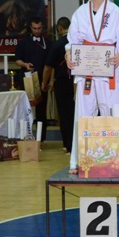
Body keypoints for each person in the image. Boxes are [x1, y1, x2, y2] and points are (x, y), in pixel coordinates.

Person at [65, 0, 119, 173]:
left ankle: (118, 160)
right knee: (82, 115)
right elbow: (71, 41)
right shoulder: (80, 13)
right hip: (86, 69)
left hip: (108, 68)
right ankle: (78, 162)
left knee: (111, 113)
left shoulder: (115, 12)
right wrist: (68, 55)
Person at [42, 17, 75, 153]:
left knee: (64, 114)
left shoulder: (57, 44)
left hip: (63, 83)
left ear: (59, 28)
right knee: (77, 113)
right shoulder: (78, 41)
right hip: (78, 82)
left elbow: (48, 67)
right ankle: (79, 144)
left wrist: (44, 83)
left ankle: (68, 145)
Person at [15, 17, 51, 141]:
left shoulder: (47, 42)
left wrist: (48, 81)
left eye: (39, 28)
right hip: (26, 78)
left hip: (41, 79)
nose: (37, 31)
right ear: (30, 28)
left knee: (42, 110)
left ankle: (41, 138)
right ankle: (26, 136)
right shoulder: (23, 42)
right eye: (35, 28)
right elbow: (17, 60)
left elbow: (51, 63)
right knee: (26, 109)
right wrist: (25, 65)